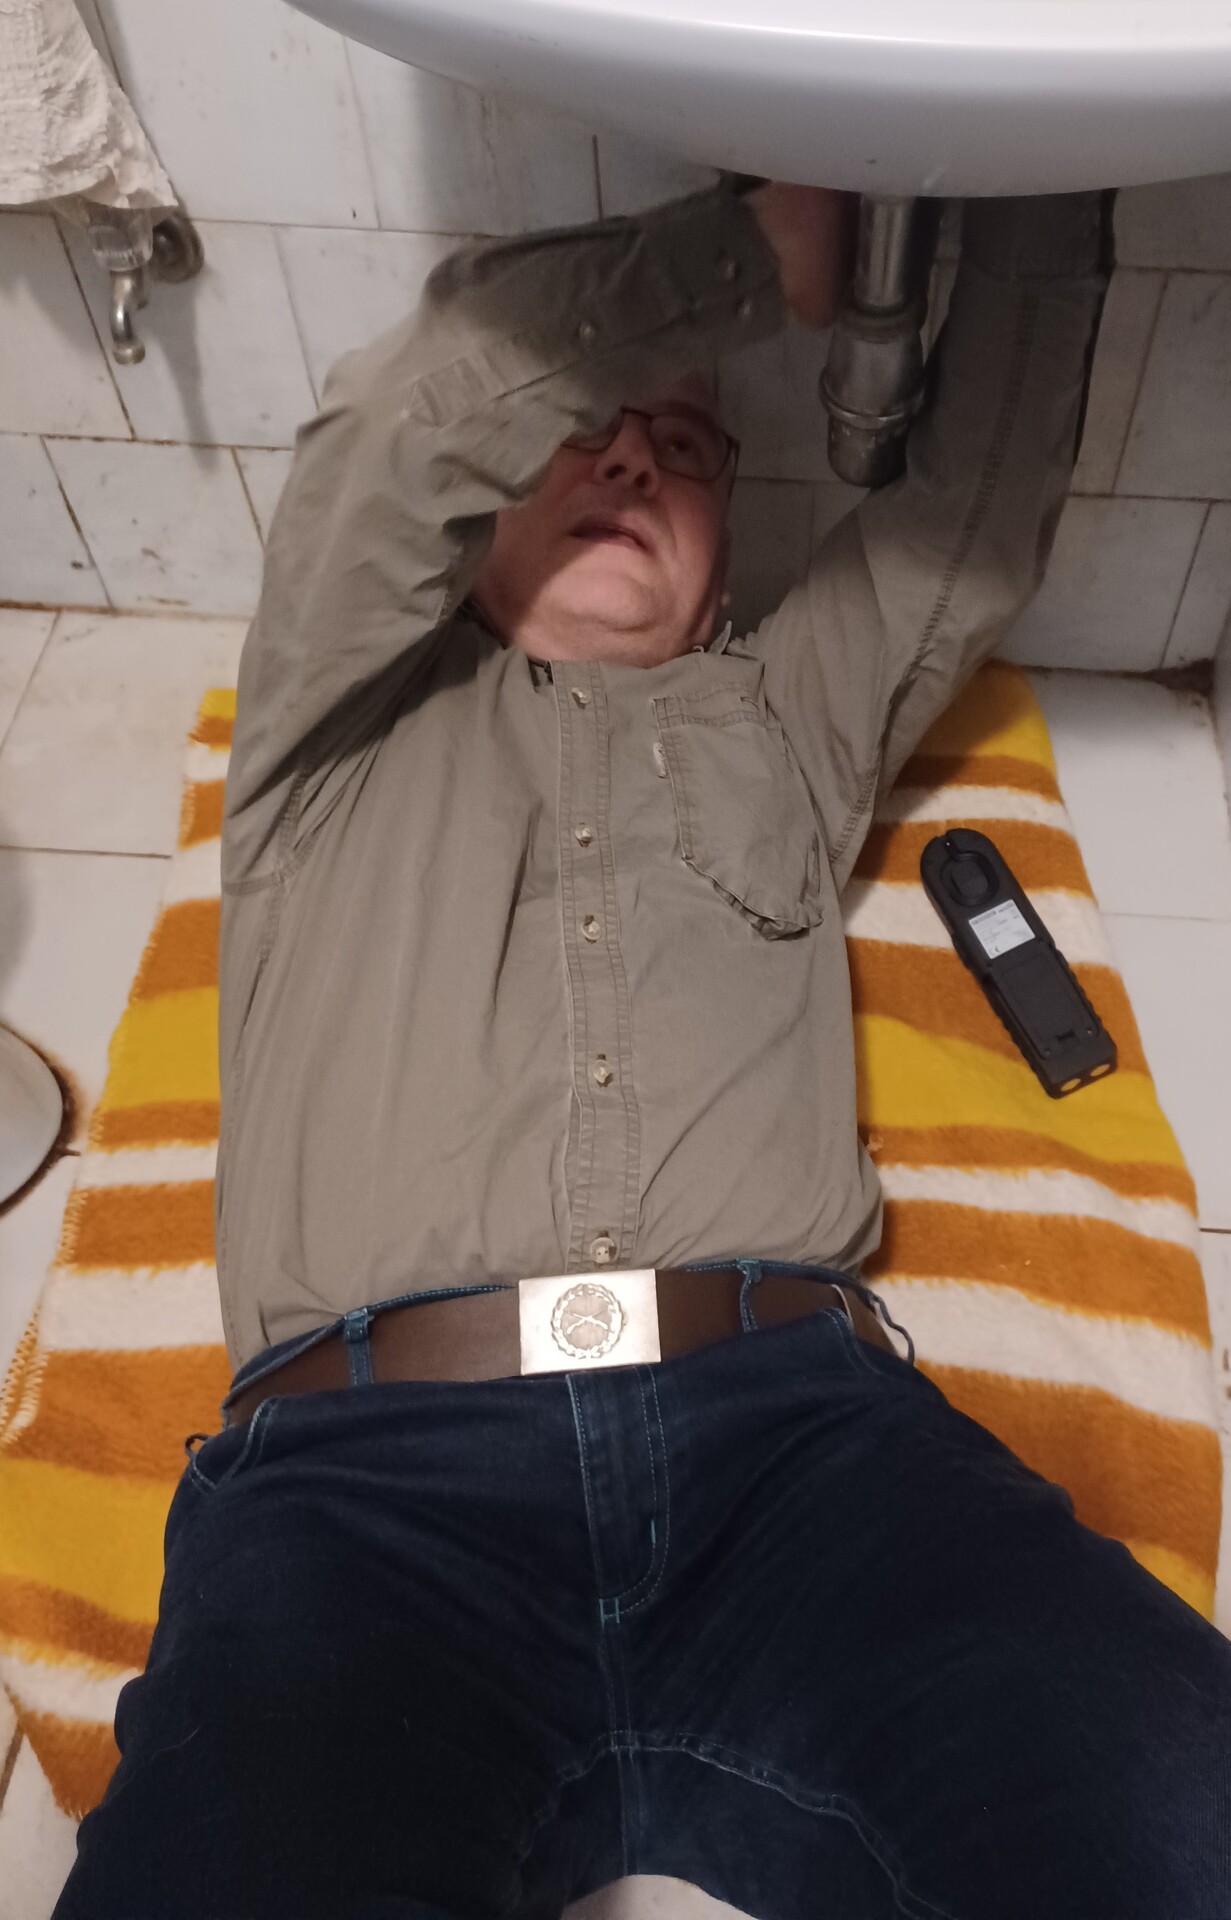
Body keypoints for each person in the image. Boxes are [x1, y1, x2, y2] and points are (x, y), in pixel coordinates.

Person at [55, 180, 1231, 1920]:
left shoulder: (787, 712)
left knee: (1182, 1822)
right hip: (371, 1500)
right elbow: (398, 429)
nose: (629, 460)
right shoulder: (332, 720)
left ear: (727, 554)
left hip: (804, 1464)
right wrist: (747, 256)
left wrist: (1037, 166)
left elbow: (969, 521)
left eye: (682, 449)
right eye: (584, 438)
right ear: (478, 528)